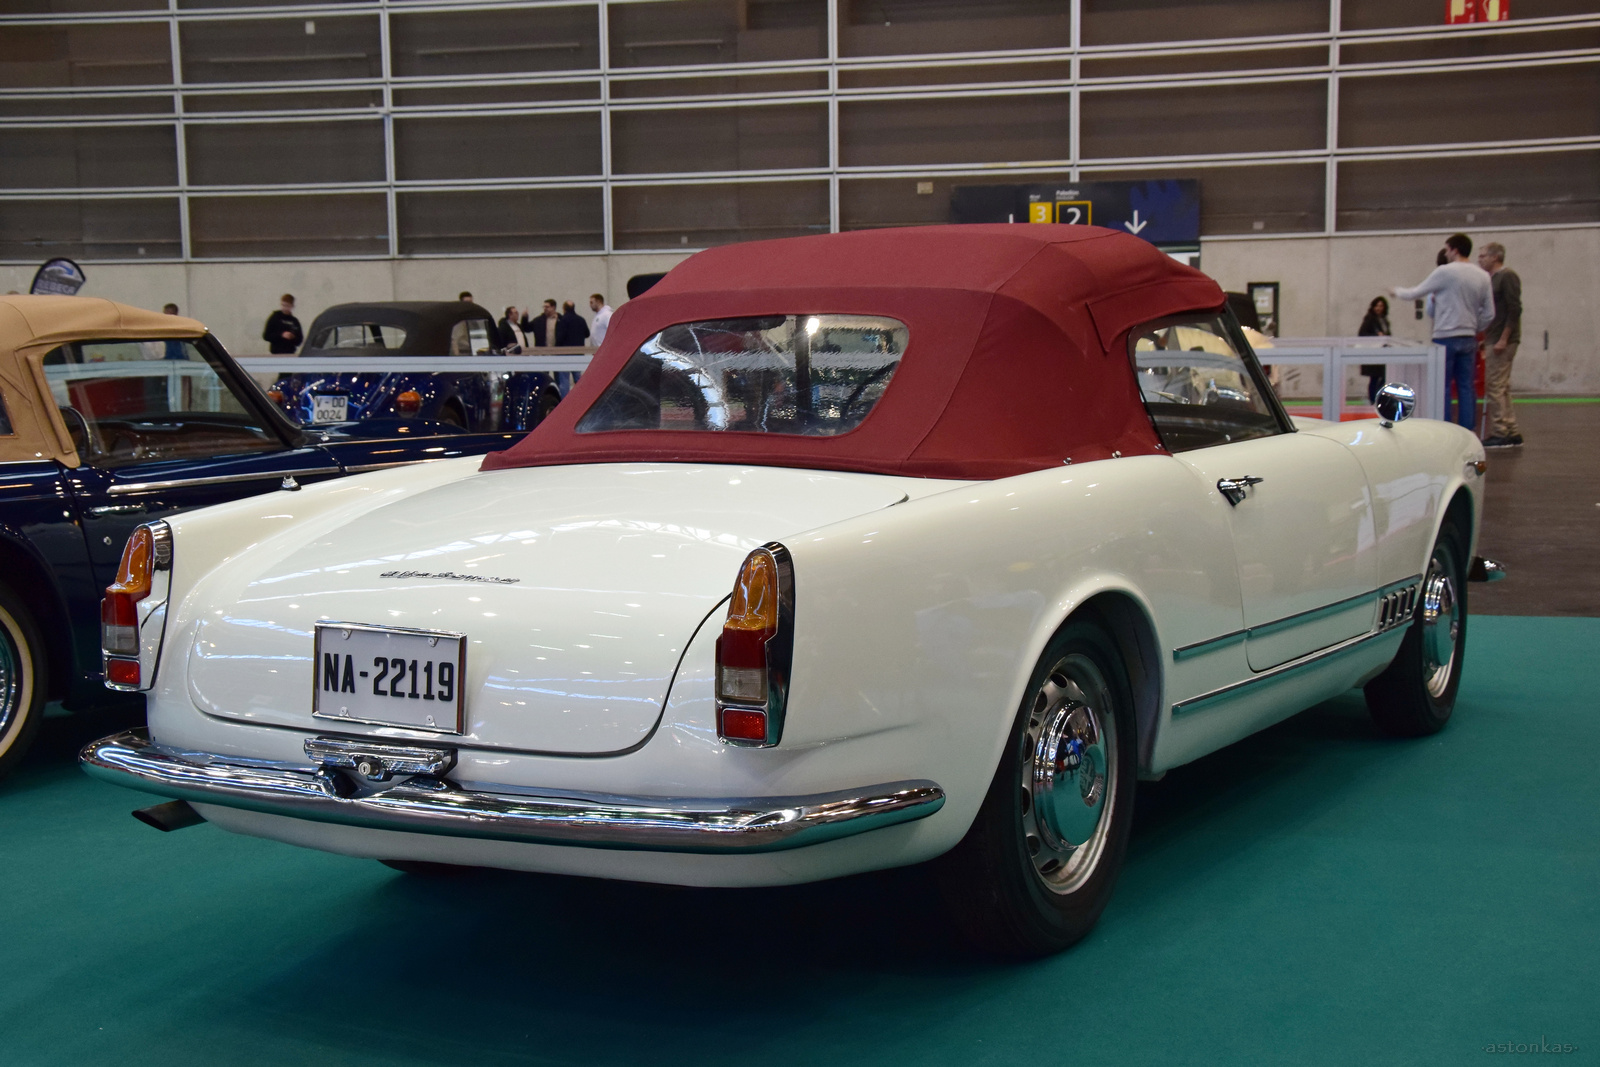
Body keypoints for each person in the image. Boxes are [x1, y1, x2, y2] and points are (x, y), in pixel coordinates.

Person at [1391, 234, 1493, 433]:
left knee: (1443, 387)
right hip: (1468, 337)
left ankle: (1445, 430)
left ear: (1454, 250)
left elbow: (1416, 293)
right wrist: (1473, 327)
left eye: (1447, 249)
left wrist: (1396, 291)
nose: (1445, 253)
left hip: (1445, 336)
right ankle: (1467, 431)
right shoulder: (1482, 276)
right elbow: (1489, 313)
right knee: (1466, 387)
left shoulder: (1445, 272)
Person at [1477, 242, 1524, 448]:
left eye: (1483, 256)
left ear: (1495, 257)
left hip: (1503, 340)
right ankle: (1511, 429)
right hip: (1493, 337)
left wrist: (1504, 338)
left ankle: (1499, 430)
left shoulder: (1507, 276)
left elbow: (1515, 309)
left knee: (1494, 386)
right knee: (1502, 387)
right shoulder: (1491, 279)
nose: (1480, 260)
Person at [1357, 296, 1391, 403]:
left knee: (1383, 377)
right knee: (1374, 378)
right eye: (1377, 306)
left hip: (1382, 353)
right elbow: (1362, 334)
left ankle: (1379, 398)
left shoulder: (1384, 320)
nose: (1378, 308)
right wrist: (1376, 335)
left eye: (1381, 306)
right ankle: (1373, 400)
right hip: (1373, 353)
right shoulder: (1369, 319)